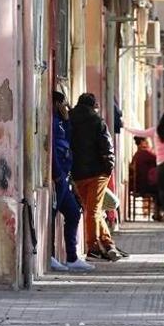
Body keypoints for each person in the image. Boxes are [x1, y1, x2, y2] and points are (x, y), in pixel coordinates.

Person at [69, 93, 126, 262]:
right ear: (94, 105)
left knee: (91, 209)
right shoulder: (97, 121)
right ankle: (93, 247)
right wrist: (109, 169)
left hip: (78, 173)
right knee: (94, 210)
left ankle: (108, 244)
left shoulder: (69, 119)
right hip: (97, 174)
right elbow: (107, 147)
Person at [50, 91, 94, 271]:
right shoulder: (52, 121)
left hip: (65, 176)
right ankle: (50, 256)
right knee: (51, 218)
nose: (65, 107)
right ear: (56, 103)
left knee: (74, 213)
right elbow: (52, 147)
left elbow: (68, 140)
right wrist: (57, 173)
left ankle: (72, 257)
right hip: (58, 177)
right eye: (62, 103)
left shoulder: (61, 122)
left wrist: (67, 120)